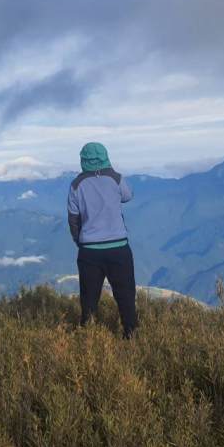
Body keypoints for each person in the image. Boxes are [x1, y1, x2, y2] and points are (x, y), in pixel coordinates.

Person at [67, 142, 137, 338]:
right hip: (119, 248)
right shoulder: (115, 178)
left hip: (89, 251)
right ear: (106, 156)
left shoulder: (76, 184)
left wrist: (80, 241)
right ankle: (131, 337)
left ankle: (88, 339)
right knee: (125, 296)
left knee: (89, 299)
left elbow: (73, 219)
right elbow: (128, 196)